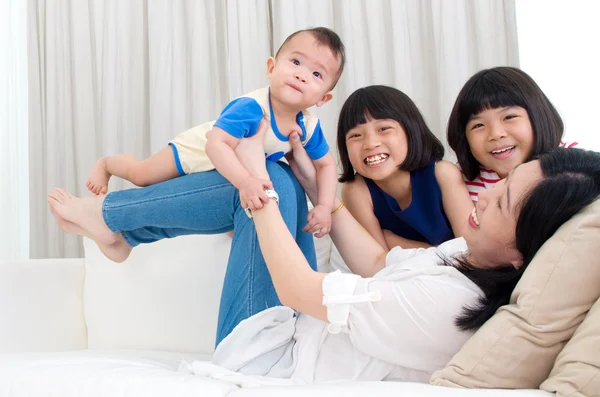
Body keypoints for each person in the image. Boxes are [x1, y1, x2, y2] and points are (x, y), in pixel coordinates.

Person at [49, 119, 600, 383]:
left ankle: (110, 220)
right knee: (282, 178)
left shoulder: (449, 306)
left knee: (265, 178)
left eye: (502, 204)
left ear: (523, 258)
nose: (488, 193)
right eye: (503, 183)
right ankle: (115, 226)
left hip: (268, 359)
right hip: (297, 326)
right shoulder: (466, 256)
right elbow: (381, 266)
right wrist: (320, 198)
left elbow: (300, 290)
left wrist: (256, 193)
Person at [86, 27, 346, 237]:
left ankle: (130, 237)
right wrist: (244, 182)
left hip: (226, 167)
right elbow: (215, 145)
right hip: (195, 150)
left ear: (323, 98)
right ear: (271, 68)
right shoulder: (252, 107)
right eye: (296, 62)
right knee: (142, 175)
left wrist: (324, 206)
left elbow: (325, 165)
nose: (301, 75)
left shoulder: (307, 126)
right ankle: (107, 164)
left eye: (315, 74)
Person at [336, 85, 473, 250]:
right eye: (356, 135)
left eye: (384, 129)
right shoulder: (356, 190)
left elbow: (470, 248)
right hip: (398, 276)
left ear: (411, 130)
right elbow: (376, 261)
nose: (371, 144)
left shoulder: (443, 174)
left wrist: (391, 240)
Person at [447, 66, 579, 201]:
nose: (496, 134)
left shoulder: (573, 164)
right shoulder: (461, 180)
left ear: (538, 116)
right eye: (478, 125)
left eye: (509, 117)